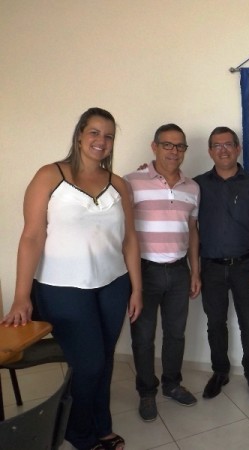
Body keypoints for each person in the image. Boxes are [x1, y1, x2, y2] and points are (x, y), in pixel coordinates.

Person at [1, 107, 142, 450]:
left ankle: (101, 424)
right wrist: (22, 296)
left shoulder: (119, 184)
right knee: (88, 363)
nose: (101, 140)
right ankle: (78, 433)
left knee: (104, 360)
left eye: (108, 135)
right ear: (79, 135)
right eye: (94, 132)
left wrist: (136, 288)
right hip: (62, 289)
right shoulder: (50, 176)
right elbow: (32, 236)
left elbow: (130, 240)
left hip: (112, 285)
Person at [193, 126, 249, 402]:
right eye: (217, 145)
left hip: (245, 266)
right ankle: (220, 372)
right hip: (211, 267)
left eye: (228, 144)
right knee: (215, 323)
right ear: (210, 151)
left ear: (238, 148)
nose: (223, 150)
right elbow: (189, 224)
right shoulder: (197, 186)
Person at [124, 124, 201, 422]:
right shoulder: (131, 182)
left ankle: (172, 384)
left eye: (180, 146)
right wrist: (132, 282)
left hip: (179, 271)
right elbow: (124, 231)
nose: (174, 151)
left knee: (176, 334)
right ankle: (147, 392)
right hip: (143, 272)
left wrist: (195, 271)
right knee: (142, 338)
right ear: (153, 146)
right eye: (167, 145)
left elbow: (193, 231)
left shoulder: (192, 187)